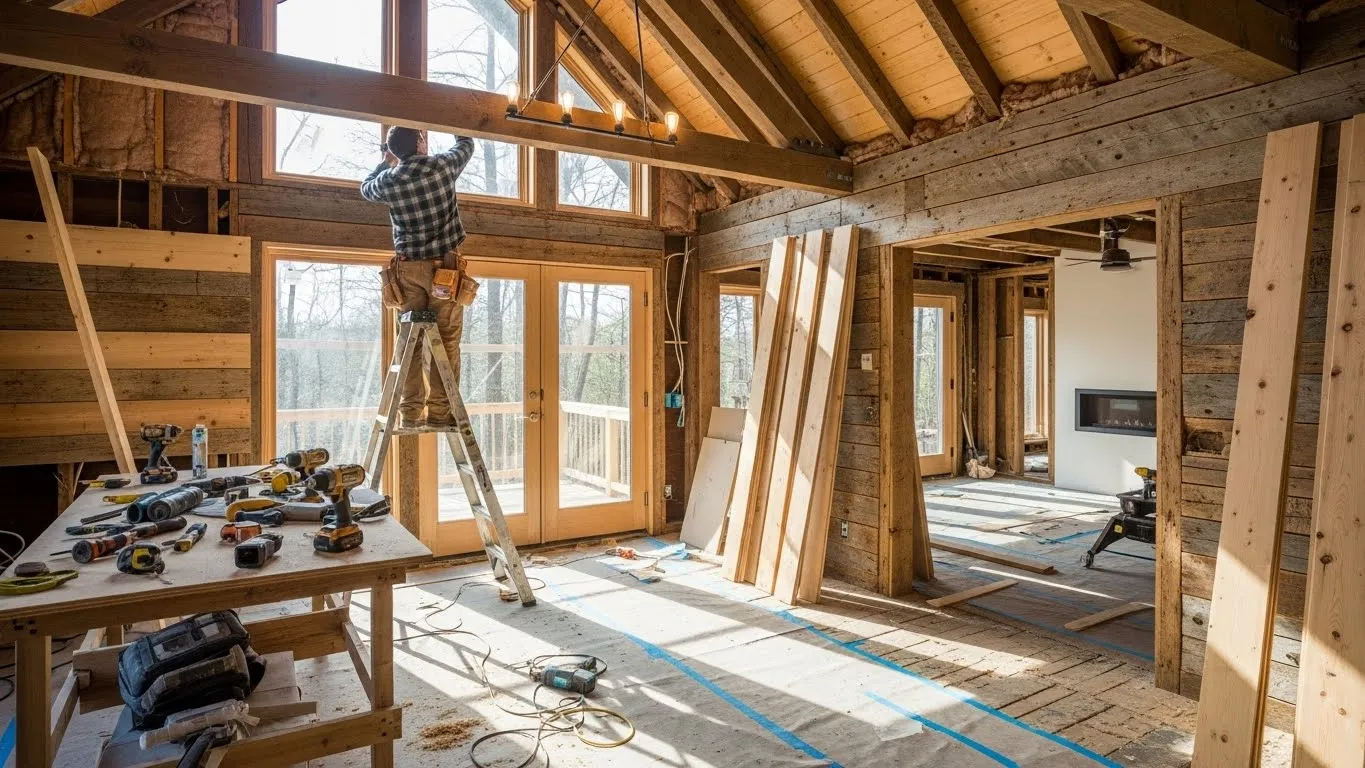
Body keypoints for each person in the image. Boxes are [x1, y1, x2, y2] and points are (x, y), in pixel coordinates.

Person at [361, 126, 477, 429]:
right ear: (421, 142)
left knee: (410, 343)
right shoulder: (441, 166)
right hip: (445, 271)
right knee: (446, 340)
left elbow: (366, 188)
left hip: (408, 269)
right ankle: (439, 413)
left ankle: (410, 413)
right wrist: (453, 124)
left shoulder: (391, 180)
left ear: (395, 151)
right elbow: (466, 146)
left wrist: (386, 162)